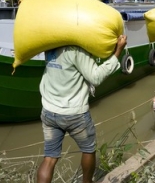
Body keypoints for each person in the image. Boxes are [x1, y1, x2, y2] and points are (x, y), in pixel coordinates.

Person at [36, 35, 127, 183]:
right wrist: (117, 52)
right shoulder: (76, 50)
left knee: (50, 157)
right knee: (88, 149)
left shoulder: (49, 47)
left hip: (49, 112)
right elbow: (95, 77)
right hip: (75, 114)